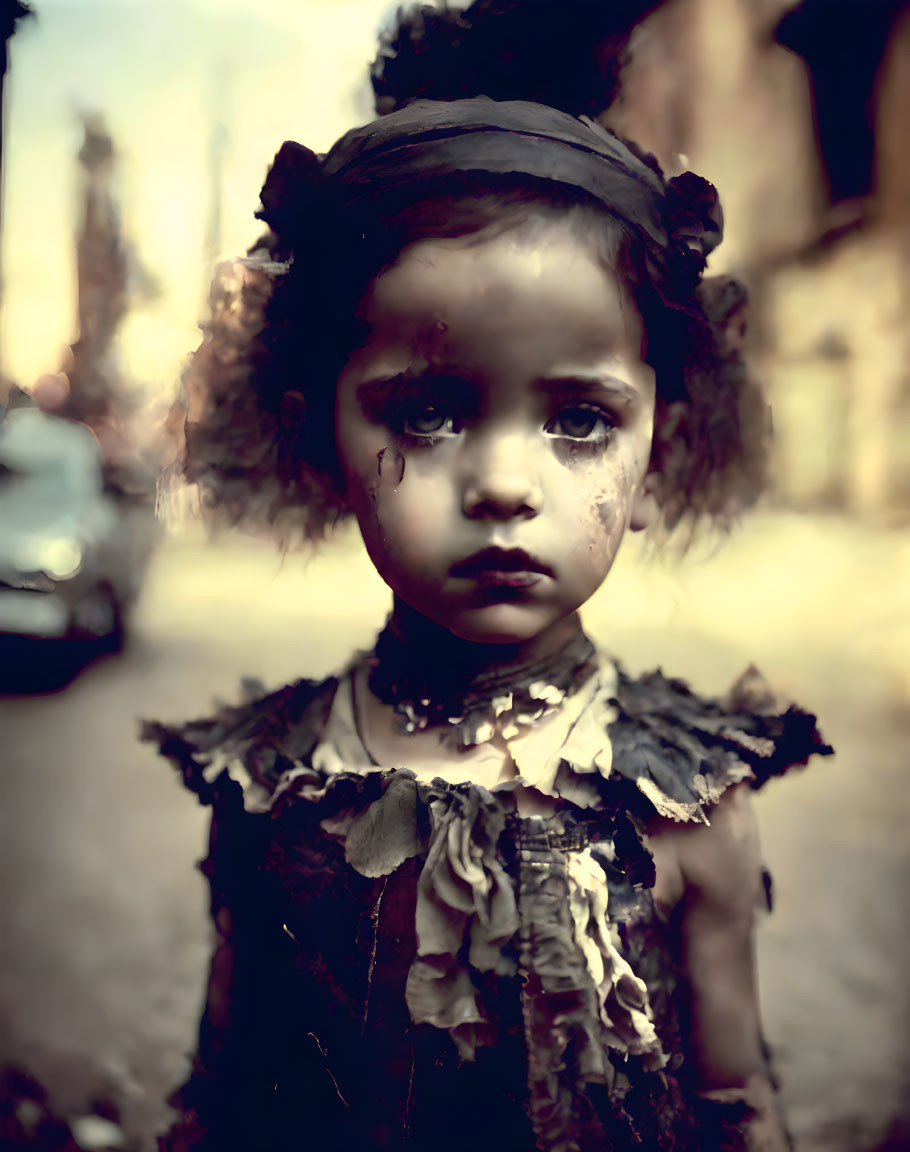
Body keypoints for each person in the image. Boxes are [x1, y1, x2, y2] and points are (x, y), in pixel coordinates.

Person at [144, 94, 831, 1152]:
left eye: (580, 421)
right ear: (319, 438)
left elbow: (736, 1103)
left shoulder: (689, 802)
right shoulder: (270, 783)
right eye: (427, 411)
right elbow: (224, 1086)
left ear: (656, 454)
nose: (505, 484)